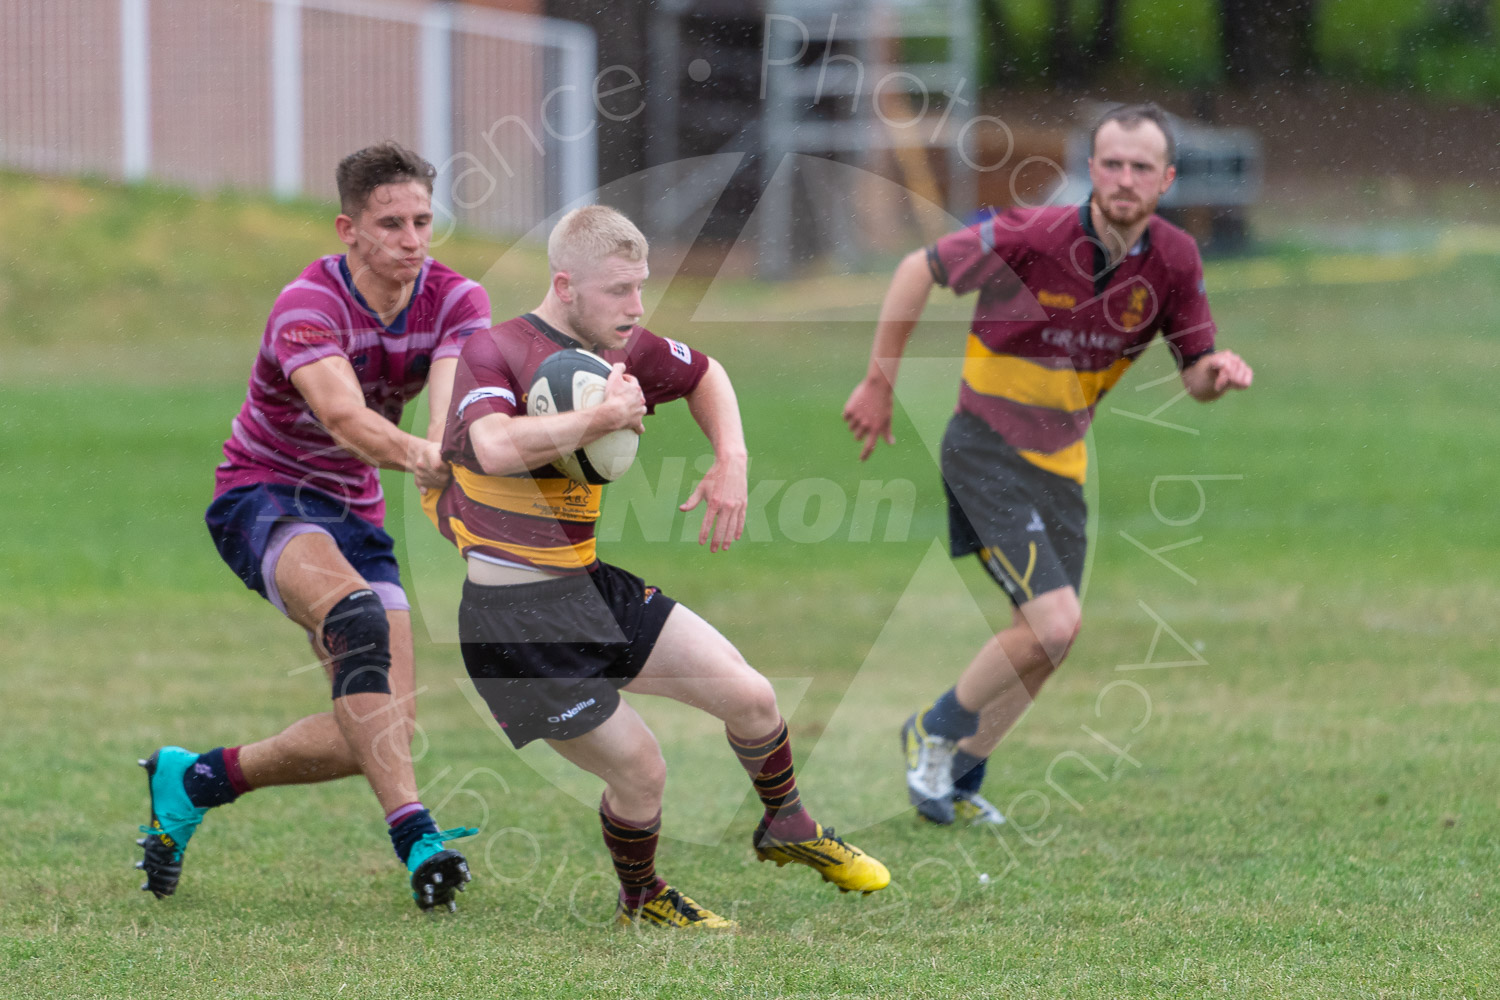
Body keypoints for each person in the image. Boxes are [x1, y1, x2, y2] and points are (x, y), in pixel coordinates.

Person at [424, 204, 890, 928]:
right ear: (565, 284)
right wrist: (597, 420)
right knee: (641, 772)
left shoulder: (622, 346)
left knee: (753, 698)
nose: (635, 308)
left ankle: (787, 825)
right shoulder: (494, 351)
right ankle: (641, 899)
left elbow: (708, 374)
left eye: (641, 287)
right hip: (513, 625)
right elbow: (492, 447)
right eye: (618, 291)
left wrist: (730, 459)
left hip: (588, 587)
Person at [842, 103, 1254, 826]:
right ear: (1091, 170)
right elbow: (918, 267)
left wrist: (1216, 374)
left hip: (1061, 464)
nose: (1126, 178)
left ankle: (958, 780)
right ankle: (931, 732)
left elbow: (1194, 375)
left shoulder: (1176, 259)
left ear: (1167, 179)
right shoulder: (1032, 235)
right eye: (1113, 163)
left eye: (1142, 167)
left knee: (1045, 645)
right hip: (984, 449)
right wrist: (880, 380)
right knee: (1056, 624)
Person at [136, 142, 492, 911]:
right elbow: (343, 418)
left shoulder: (458, 299)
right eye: (390, 223)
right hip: (264, 497)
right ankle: (417, 837)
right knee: (356, 619)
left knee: (377, 728)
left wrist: (446, 456)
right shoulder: (308, 306)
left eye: (423, 220)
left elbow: (448, 399)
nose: (411, 239)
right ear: (348, 229)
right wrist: (426, 460)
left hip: (356, 514)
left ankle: (194, 778)